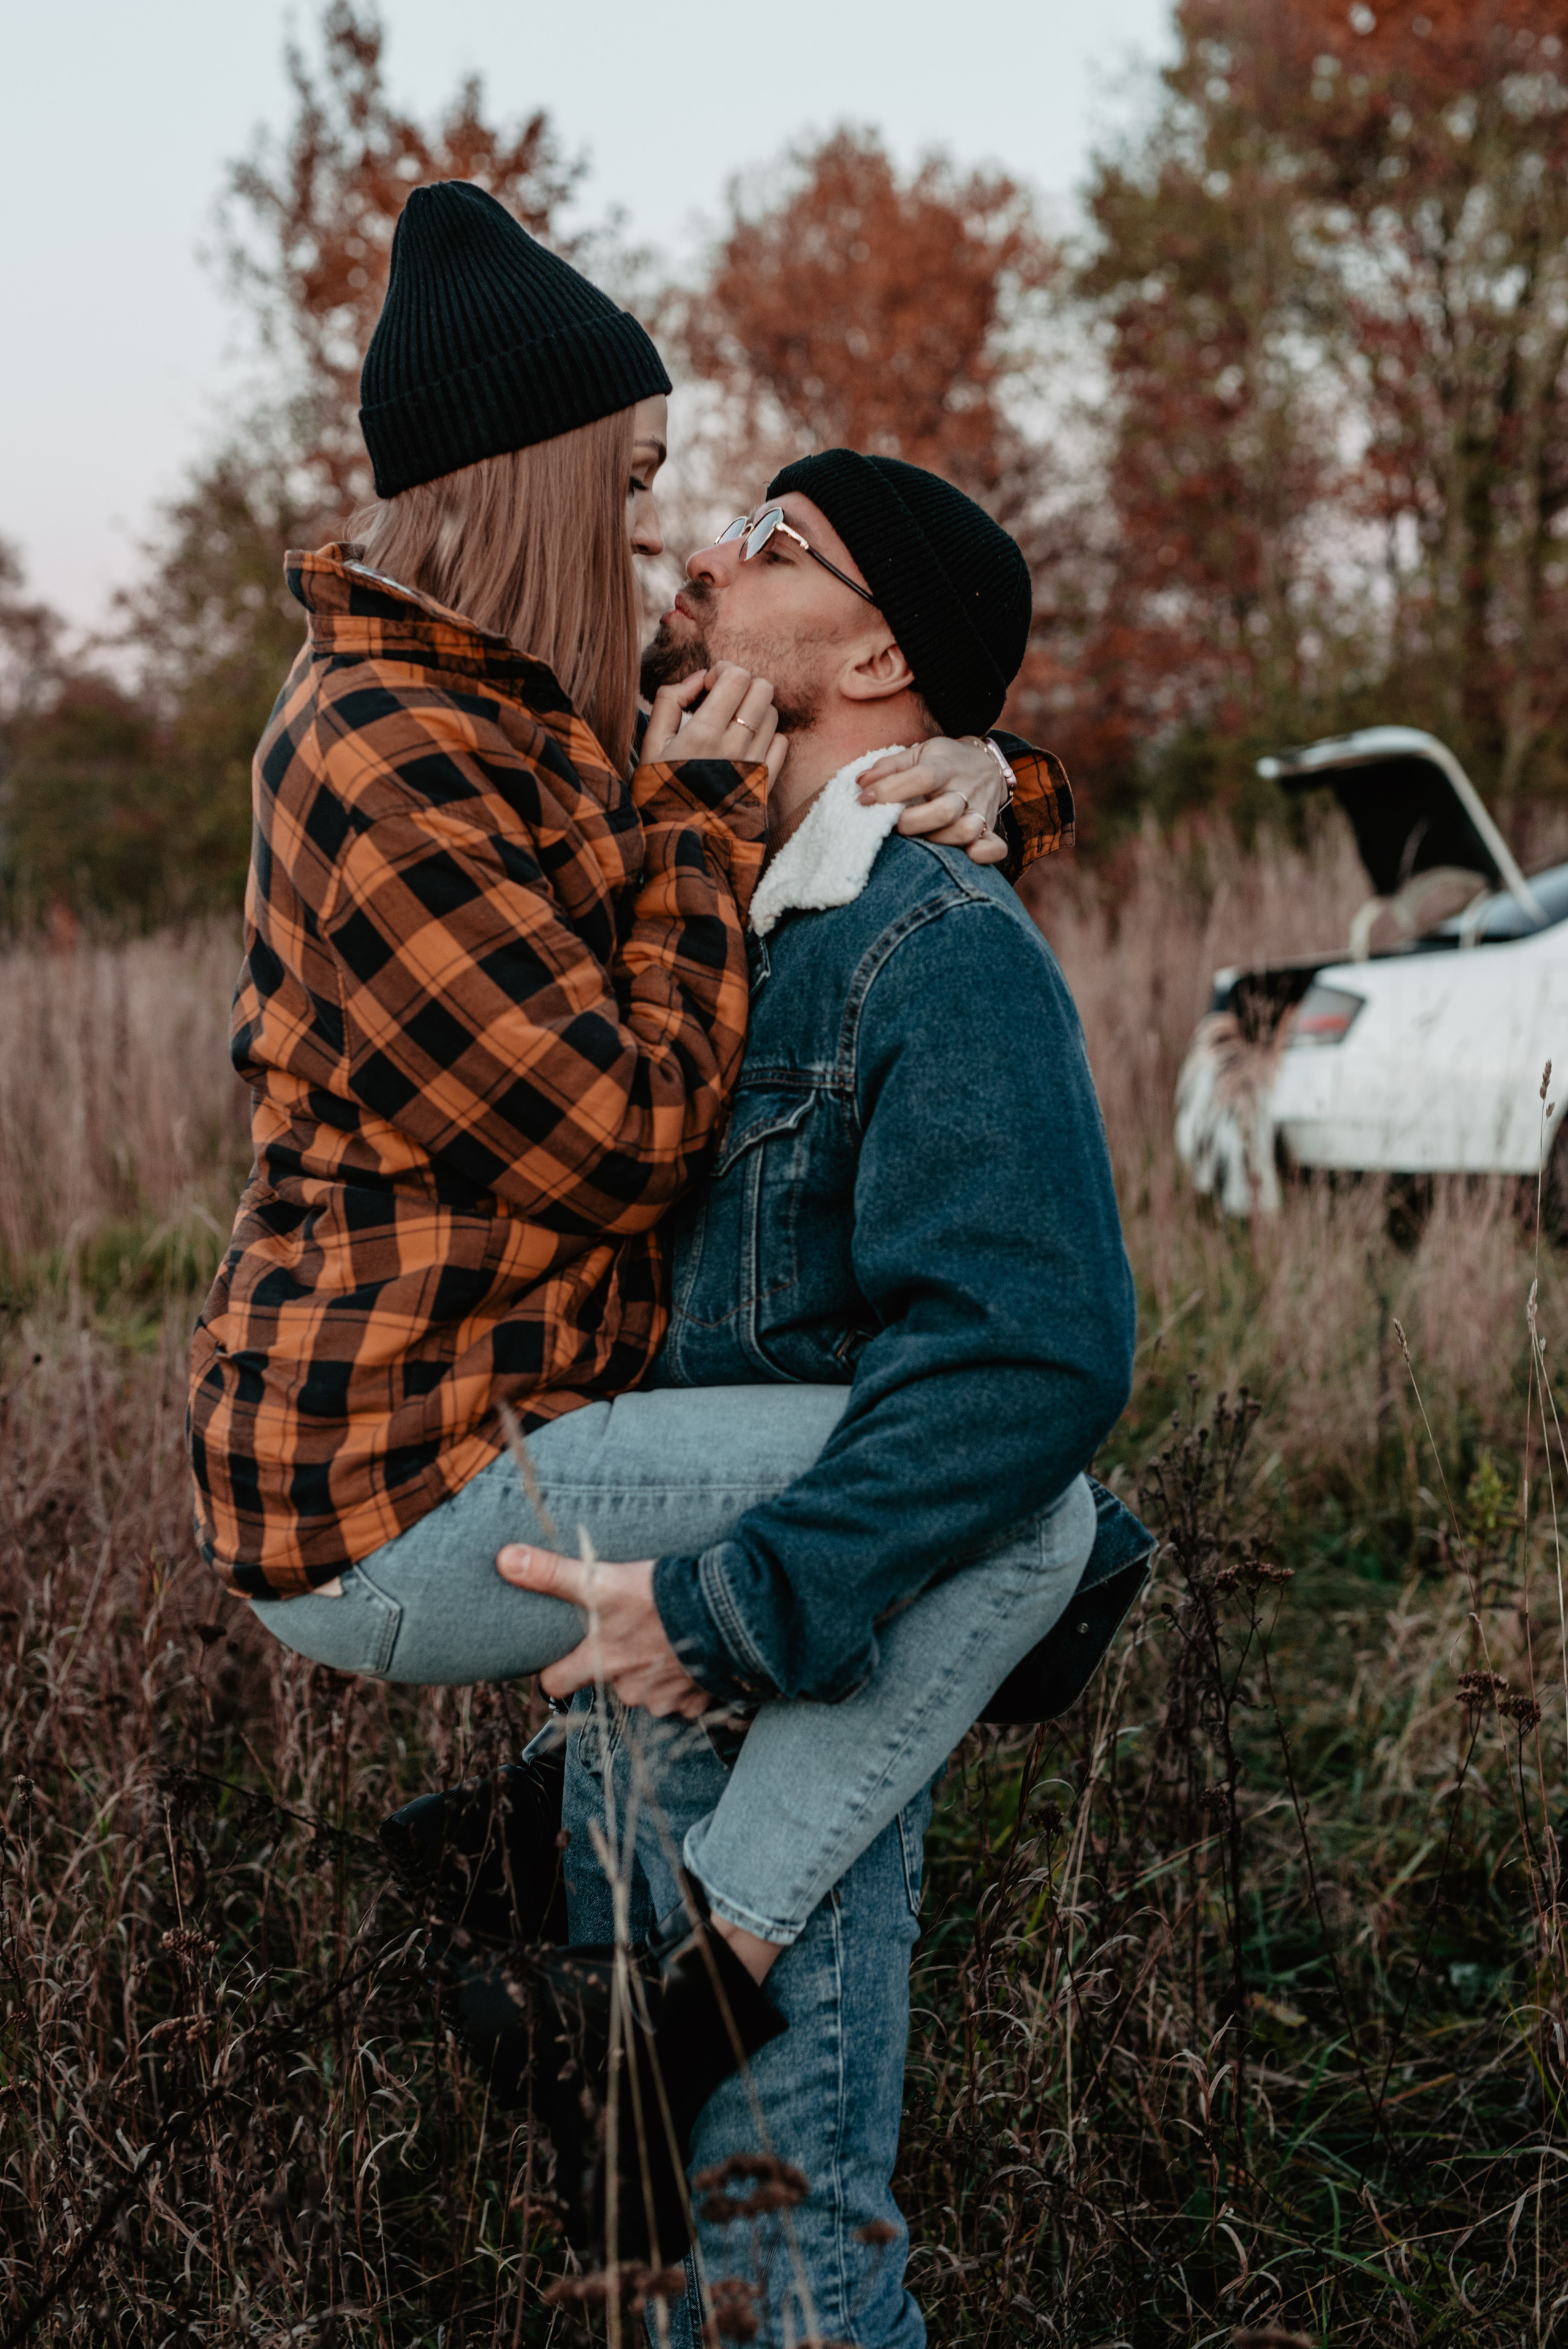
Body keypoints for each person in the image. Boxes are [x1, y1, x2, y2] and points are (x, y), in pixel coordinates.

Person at [187, 172, 1069, 2222]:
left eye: (733, 514)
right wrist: (689, 809)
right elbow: (618, 1132)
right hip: (391, 1471)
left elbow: (877, 771)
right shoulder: (390, 747)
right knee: (1020, 1507)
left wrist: (1001, 770)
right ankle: (686, 1979)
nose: (671, 534)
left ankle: (556, 1851)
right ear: (538, 479)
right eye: (647, 479)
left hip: (502, 1429)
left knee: (1004, 1508)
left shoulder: (521, 708)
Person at [459, 452, 1147, 2344]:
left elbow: (1034, 1354)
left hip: (787, 1679)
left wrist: (722, 1618)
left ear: (878, 647)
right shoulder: (722, 901)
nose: (705, 550)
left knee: (793, 2271)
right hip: (642, 1698)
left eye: (771, 540)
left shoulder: (925, 941)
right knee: (683, 2267)